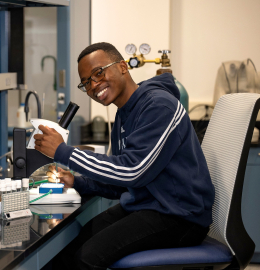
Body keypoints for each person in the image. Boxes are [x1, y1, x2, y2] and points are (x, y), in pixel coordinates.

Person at [33, 42, 215, 270]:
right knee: (70, 246)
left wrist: (63, 151)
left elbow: (132, 171)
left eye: (98, 73)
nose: (93, 86)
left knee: (86, 258)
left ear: (122, 66)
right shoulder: (123, 115)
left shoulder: (159, 106)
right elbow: (122, 181)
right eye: (86, 83)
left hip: (180, 217)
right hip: (149, 206)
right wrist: (78, 182)